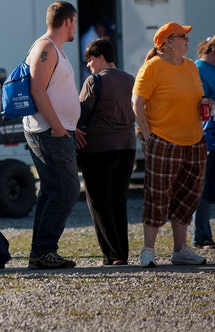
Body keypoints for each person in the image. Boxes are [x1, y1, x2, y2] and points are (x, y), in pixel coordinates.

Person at [133, 22, 208, 268]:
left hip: (194, 140)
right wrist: (148, 136)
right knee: (157, 196)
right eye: (182, 36)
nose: (188, 40)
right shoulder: (152, 67)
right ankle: (148, 251)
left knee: (188, 197)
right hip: (163, 140)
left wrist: (204, 103)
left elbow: (194, 97)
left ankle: (180, 250)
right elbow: (137, 103)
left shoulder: (190, 67)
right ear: (167, 43)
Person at [23, 1, 81, 270]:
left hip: (57, 129)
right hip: (49, 131)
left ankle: (41, 251)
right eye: (74, 23)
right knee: (67, 190)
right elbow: (38, 90)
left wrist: (69, 124)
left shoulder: (55, 48)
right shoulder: (46, 47)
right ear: (68, 21)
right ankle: (45, 250)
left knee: (52, 191)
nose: (74, 29)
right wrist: (59, 127)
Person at [74, 38, 135, 266]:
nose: (88, 65)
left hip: (99, 148)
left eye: (90, 60)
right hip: (127, 147)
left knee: (99, 202)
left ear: (100, 57)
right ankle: (123, 252)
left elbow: (80, 114)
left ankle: (113, 255)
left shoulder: (94, 81)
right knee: (119, 200)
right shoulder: (131, 80)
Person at [193, 37, 215, 248]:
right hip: (208, 137)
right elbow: (198, 103)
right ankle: (201, 235)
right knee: (204, 189)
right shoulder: (199, 69)